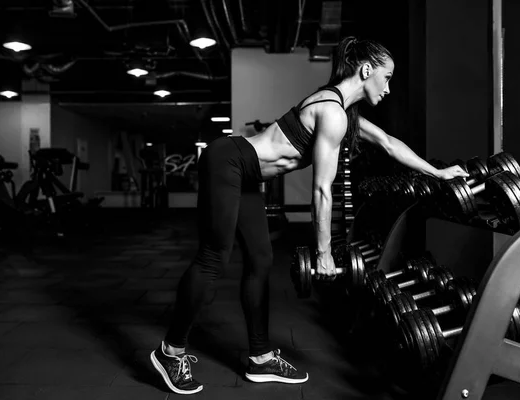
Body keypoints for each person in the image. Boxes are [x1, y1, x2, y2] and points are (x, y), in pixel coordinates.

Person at [149, 36, 469, 395]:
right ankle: (170, 351)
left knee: (260, 258)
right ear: (366, 71)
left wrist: (439, 173)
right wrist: (323, 252)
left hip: (247, 173)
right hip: (228, 160)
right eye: (388, 77)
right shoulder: (331, 112)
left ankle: (259, 357)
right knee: (214, 257)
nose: (390, 87)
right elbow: (321, 190)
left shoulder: (342, 110)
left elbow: (389, 143)